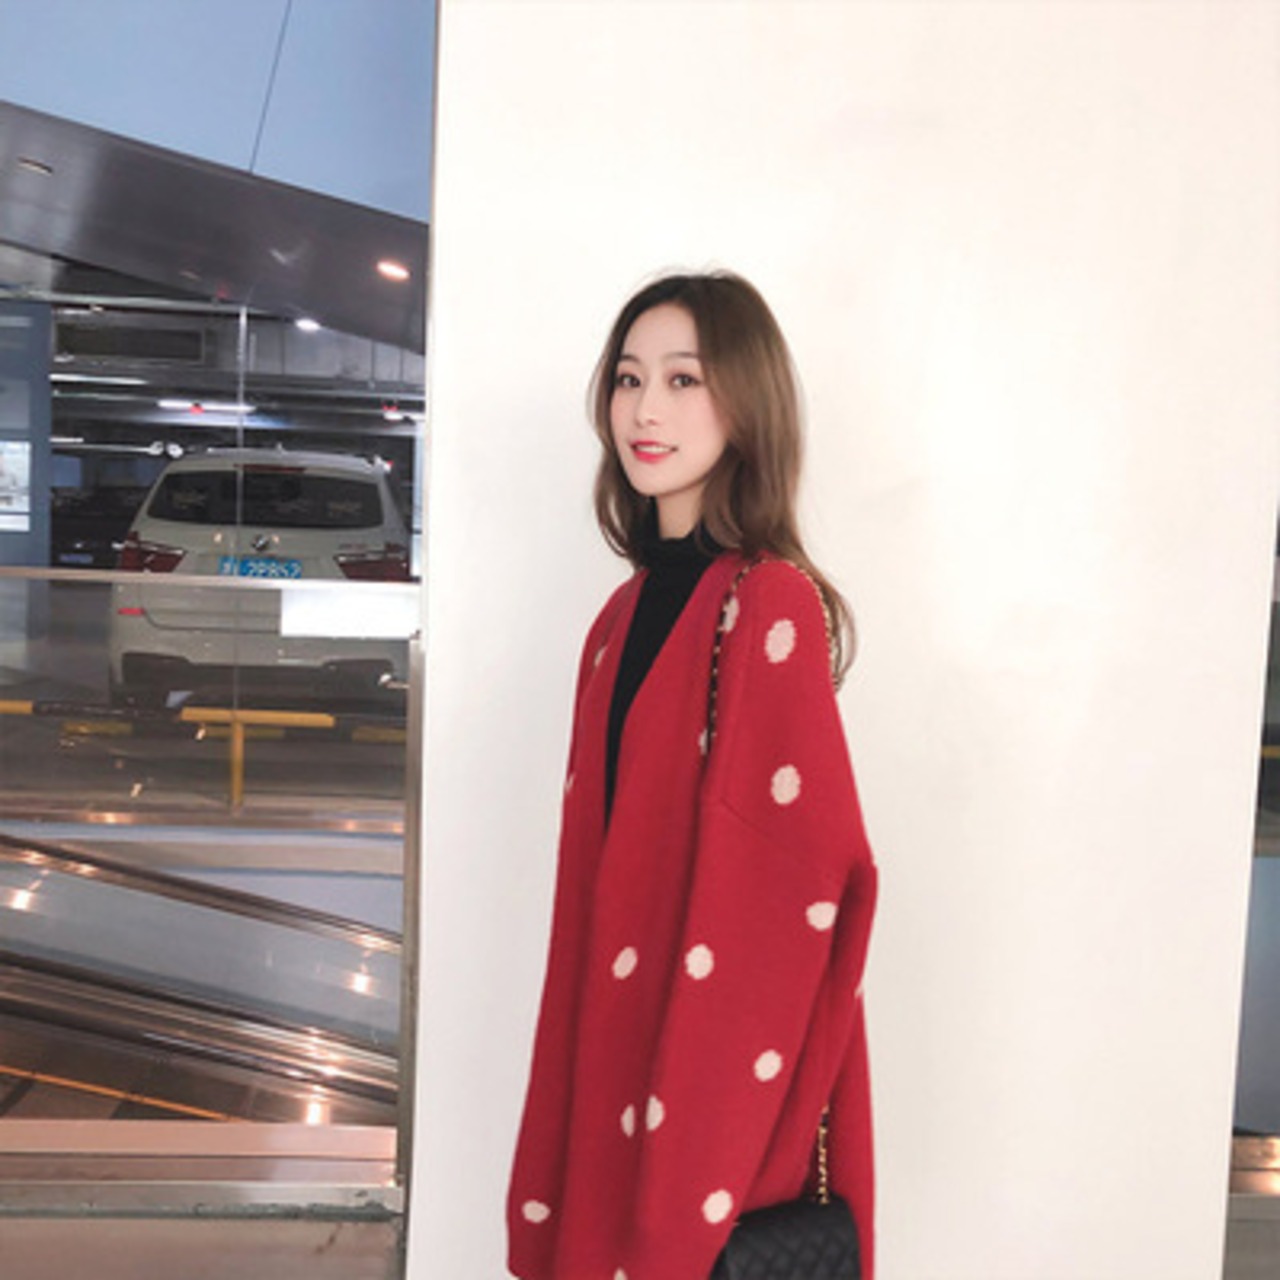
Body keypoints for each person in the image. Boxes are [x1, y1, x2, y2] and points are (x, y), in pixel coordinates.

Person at [508, 271, 878, 1280]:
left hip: (707, 1066)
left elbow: (792, 890)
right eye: (629, 379)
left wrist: (710, 1133)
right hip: (616, 1028)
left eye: (684, 379)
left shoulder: (767, 605)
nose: (646, 409)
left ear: (746, 404)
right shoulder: (619, 617)